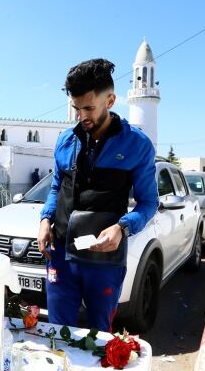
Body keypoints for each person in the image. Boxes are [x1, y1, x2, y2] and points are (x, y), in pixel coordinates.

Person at [37, 59, 158, 332]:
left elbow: (149, 203)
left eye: (89, 108)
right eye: (77, 109)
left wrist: (122, 228)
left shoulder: (137, 145)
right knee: (58, 335)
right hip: (60, 256)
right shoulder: (65, 141)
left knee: (99, 338)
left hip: (103, 259)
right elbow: (57, 187)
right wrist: (45, 219)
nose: (82, 116)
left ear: (111, 100)